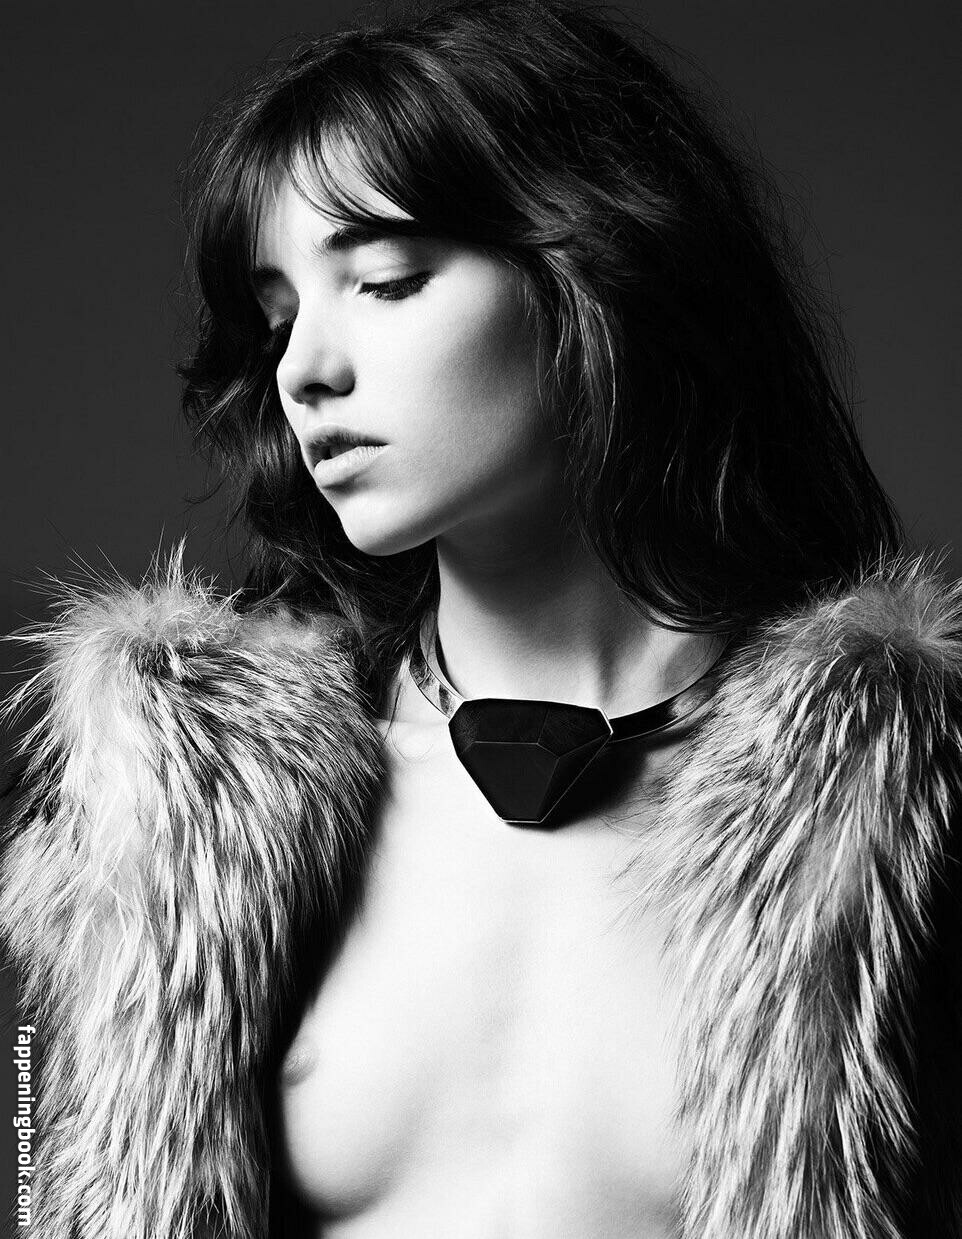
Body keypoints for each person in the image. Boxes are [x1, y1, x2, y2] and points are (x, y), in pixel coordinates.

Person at [1, 0, 960, 1236]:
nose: (303, 370)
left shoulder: (894, 814)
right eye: (279, 315)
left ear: (590, 268)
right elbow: (57, 1193)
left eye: (384, 281)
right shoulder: (168, 816)